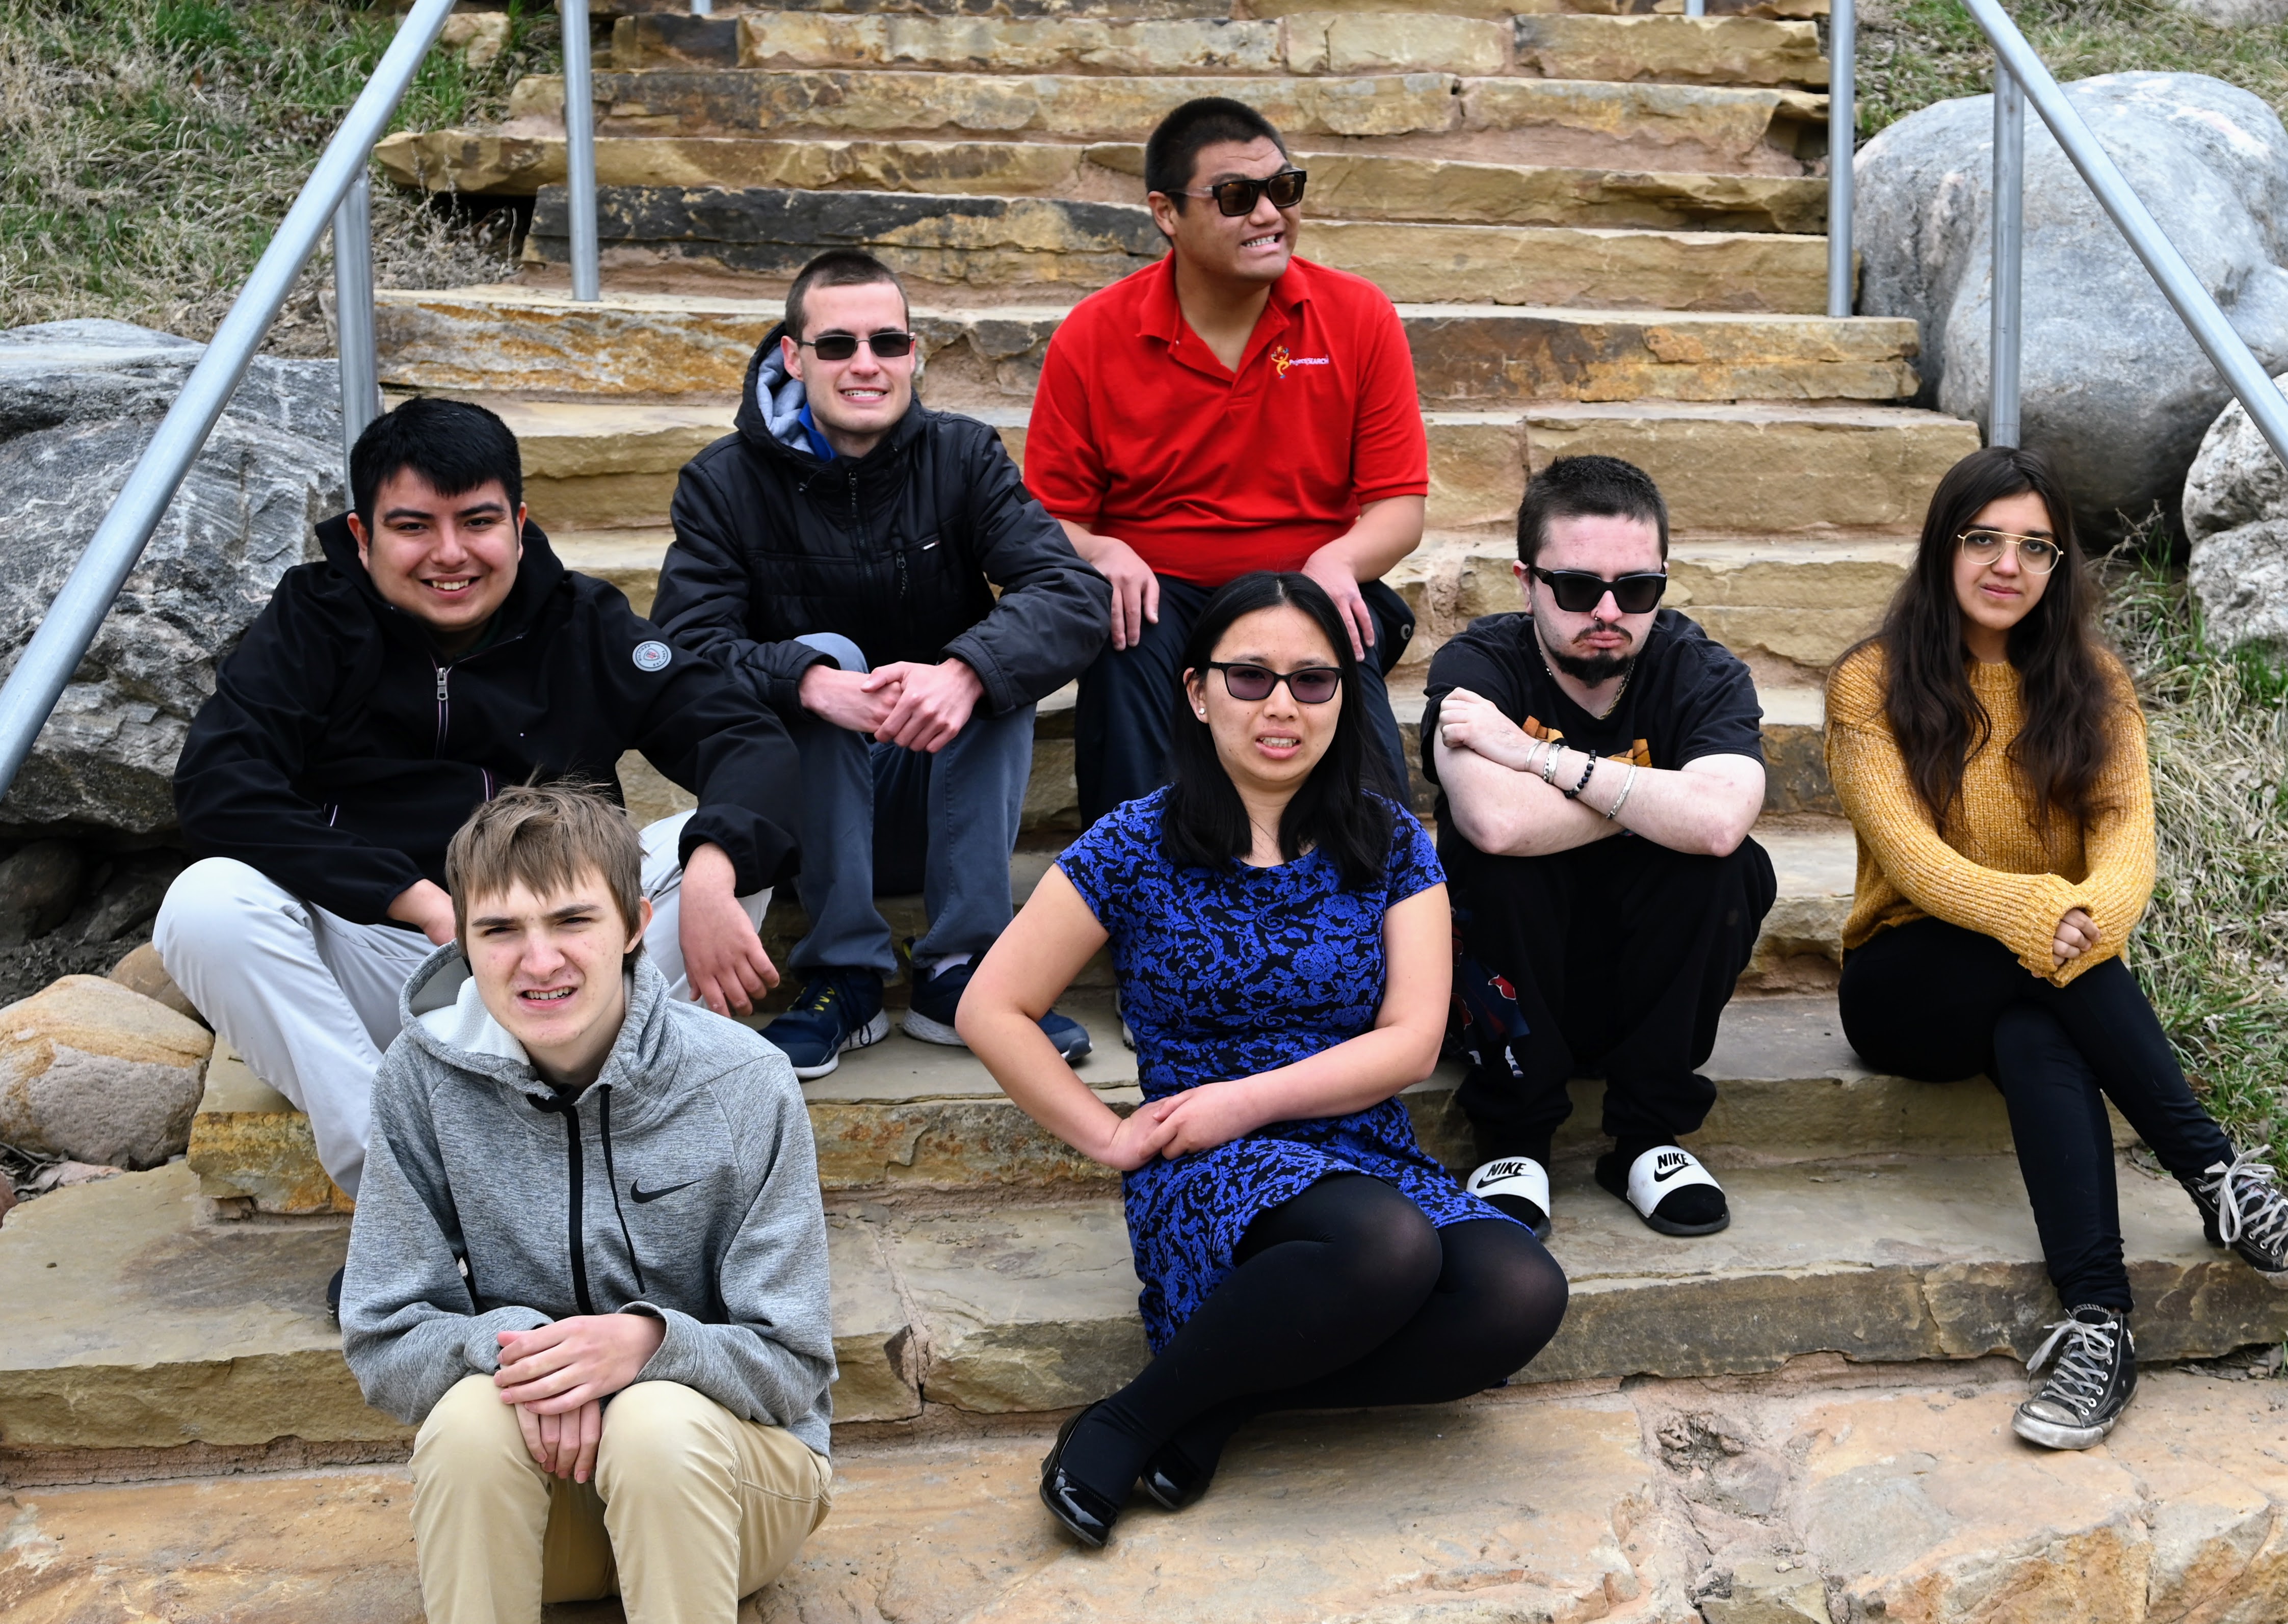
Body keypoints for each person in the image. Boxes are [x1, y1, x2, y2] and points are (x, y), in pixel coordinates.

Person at [958, 571, 1569, 1549]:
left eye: (1313, 681)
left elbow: (1412, 1042)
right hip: (1207, 1165)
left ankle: (1220, 1400)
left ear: (1342, 696)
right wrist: (1109, 1139)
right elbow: (992, 1006)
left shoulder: (1388, 842)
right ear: (1197, 693)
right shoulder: (1134, 844)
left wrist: (1245, 1100)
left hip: (1360, 1144)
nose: (1281, 705)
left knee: (1519, 1292)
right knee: (1386, 1248)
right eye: (1249, 678)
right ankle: (1126, 1420)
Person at [157, 397, 798, 1224]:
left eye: (479, 521)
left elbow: (745, 736)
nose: (450, 554)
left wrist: (714, 871)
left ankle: (605, 1112)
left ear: (521, 523)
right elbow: (218, 785)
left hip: (558, 968)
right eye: (414, 526)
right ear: (363, 535)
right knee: (205, 903)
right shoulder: (311, 623)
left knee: (709, 843)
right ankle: (407, 1197)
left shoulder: (583, 620)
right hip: (389, 966)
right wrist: (423, 905)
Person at [1826, 444, 2288, 1452]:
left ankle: (2098, 1322)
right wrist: (2041, 918)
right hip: (1904, 979)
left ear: (2060, 567)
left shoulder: (2089, 680)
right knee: (2029, 969)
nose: (2006, 566)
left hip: (2046, 970)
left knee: (2036, 1035)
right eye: (1983, 539)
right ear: (1942, 548)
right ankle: (2216, 1178)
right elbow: (1915, 861)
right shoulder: (1870, 681)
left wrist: (2084, 918)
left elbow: (2123, 836)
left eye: (2035, 547)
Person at [340, 784, 835, 1624]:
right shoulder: (418, 1081)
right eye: (499, 930)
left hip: (727, 1495)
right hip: (551, 1516)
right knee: (467, 1419)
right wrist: (530, 1355)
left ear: (638, 925)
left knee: (652, 1424)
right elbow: (383, 1335)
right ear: (462, 940)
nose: (539, 962)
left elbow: (793, 1363)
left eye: (572, 921)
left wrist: (645, 1347)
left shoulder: (744, 1082)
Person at [655, 247, 1109, 1079]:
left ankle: (963, 973)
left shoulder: (963, 457)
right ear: (792, 357)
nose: (865, 364)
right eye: (837, 345)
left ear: (914, 354)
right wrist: (810, 683)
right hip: (800, 824)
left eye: (888, 343)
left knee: (992, 663)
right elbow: (682, 650)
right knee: (822, 658)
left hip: (938, 805)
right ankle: (844, 976)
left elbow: (1072, 593)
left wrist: (963, 672)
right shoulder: (723, 483)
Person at [1023, 95, 1430, 826]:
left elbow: (1399, 507)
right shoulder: (1093, 335)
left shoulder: (1358, 315)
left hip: (1303, 581)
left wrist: (1338, 563)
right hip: (1160, 596)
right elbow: (1044, 519)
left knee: (1339, 649)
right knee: (1120, 639)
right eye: (1238, 197)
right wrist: (1100, 548)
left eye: (1285, 188)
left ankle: (1377, 905)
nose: (1270, 215)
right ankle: (1141, 907)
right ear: (1166, 212)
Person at [1422, 456, 1775, 1240]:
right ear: (1525, 582)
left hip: (1641, 987)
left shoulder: (1702, 673)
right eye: (1578, 587)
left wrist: (1538, 760)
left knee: (1730, 868)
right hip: (1511, 989)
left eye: (1637, 588)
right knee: (1492, 865)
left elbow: (1719, 824)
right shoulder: (1477, 667)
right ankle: (1515, 1137)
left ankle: (1646, 1137)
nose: (1608, 609)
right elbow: (1495, 823)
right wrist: (1657, 798)